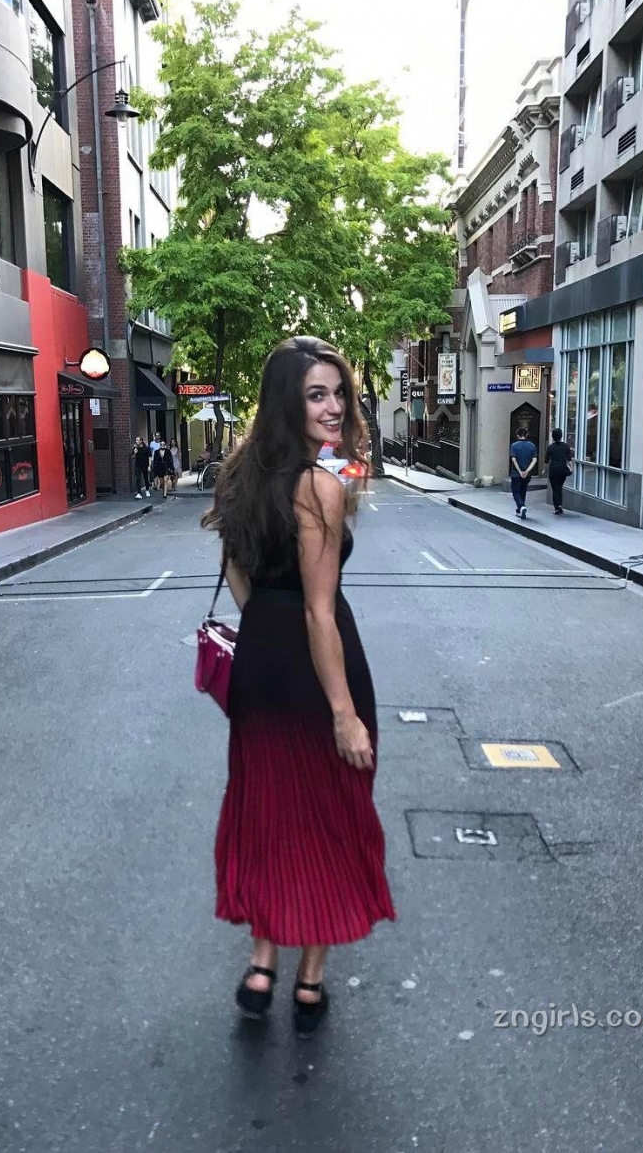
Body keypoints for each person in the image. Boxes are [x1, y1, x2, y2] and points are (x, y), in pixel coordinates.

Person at [201, 335, 395, 1039]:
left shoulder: (240, 474)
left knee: (271, 813)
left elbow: (237, 571)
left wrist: (265, 626)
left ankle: (261, 967)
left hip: (262, 665)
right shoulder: (320, 484)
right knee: (329, 813)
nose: (335, 406)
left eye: (339, 392)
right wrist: (343, 713)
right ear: (289, 402)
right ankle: (308, 981)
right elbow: (319, 610)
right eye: (317, 395)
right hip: (319, 669)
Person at [509, 425, 538, 519]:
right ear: (526, 435)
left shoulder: (514, 446)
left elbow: (513, 460)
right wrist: (527, 471)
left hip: (516, 474)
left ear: (518, 435)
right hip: (528, 474)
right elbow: (534, 460)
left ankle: (521, 506)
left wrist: (520, 471)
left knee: (516, 492)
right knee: (523, 491)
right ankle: (520, 509)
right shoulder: (532, 446)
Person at [545, 427, 574, 515]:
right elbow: (569, 459)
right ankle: (560, 505)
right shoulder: (566, 446)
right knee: (559, 488)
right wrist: (572, 468)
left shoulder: (550, 447)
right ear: (561, 436)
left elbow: (546, 461)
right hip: (562, 470)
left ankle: (556, 508)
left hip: (553, 471)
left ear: (553, 436)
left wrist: (545, 470)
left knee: (555, 489)